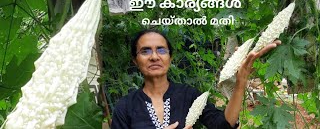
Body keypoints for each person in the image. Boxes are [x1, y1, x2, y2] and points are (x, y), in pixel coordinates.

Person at [110, 29, 281, 129]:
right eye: (145, 51)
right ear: (135, 60)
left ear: (170, 57)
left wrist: (241, 83)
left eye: (161, 50)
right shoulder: (125, 107)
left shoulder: (189, 96)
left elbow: (223, 126)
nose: (154, 56)